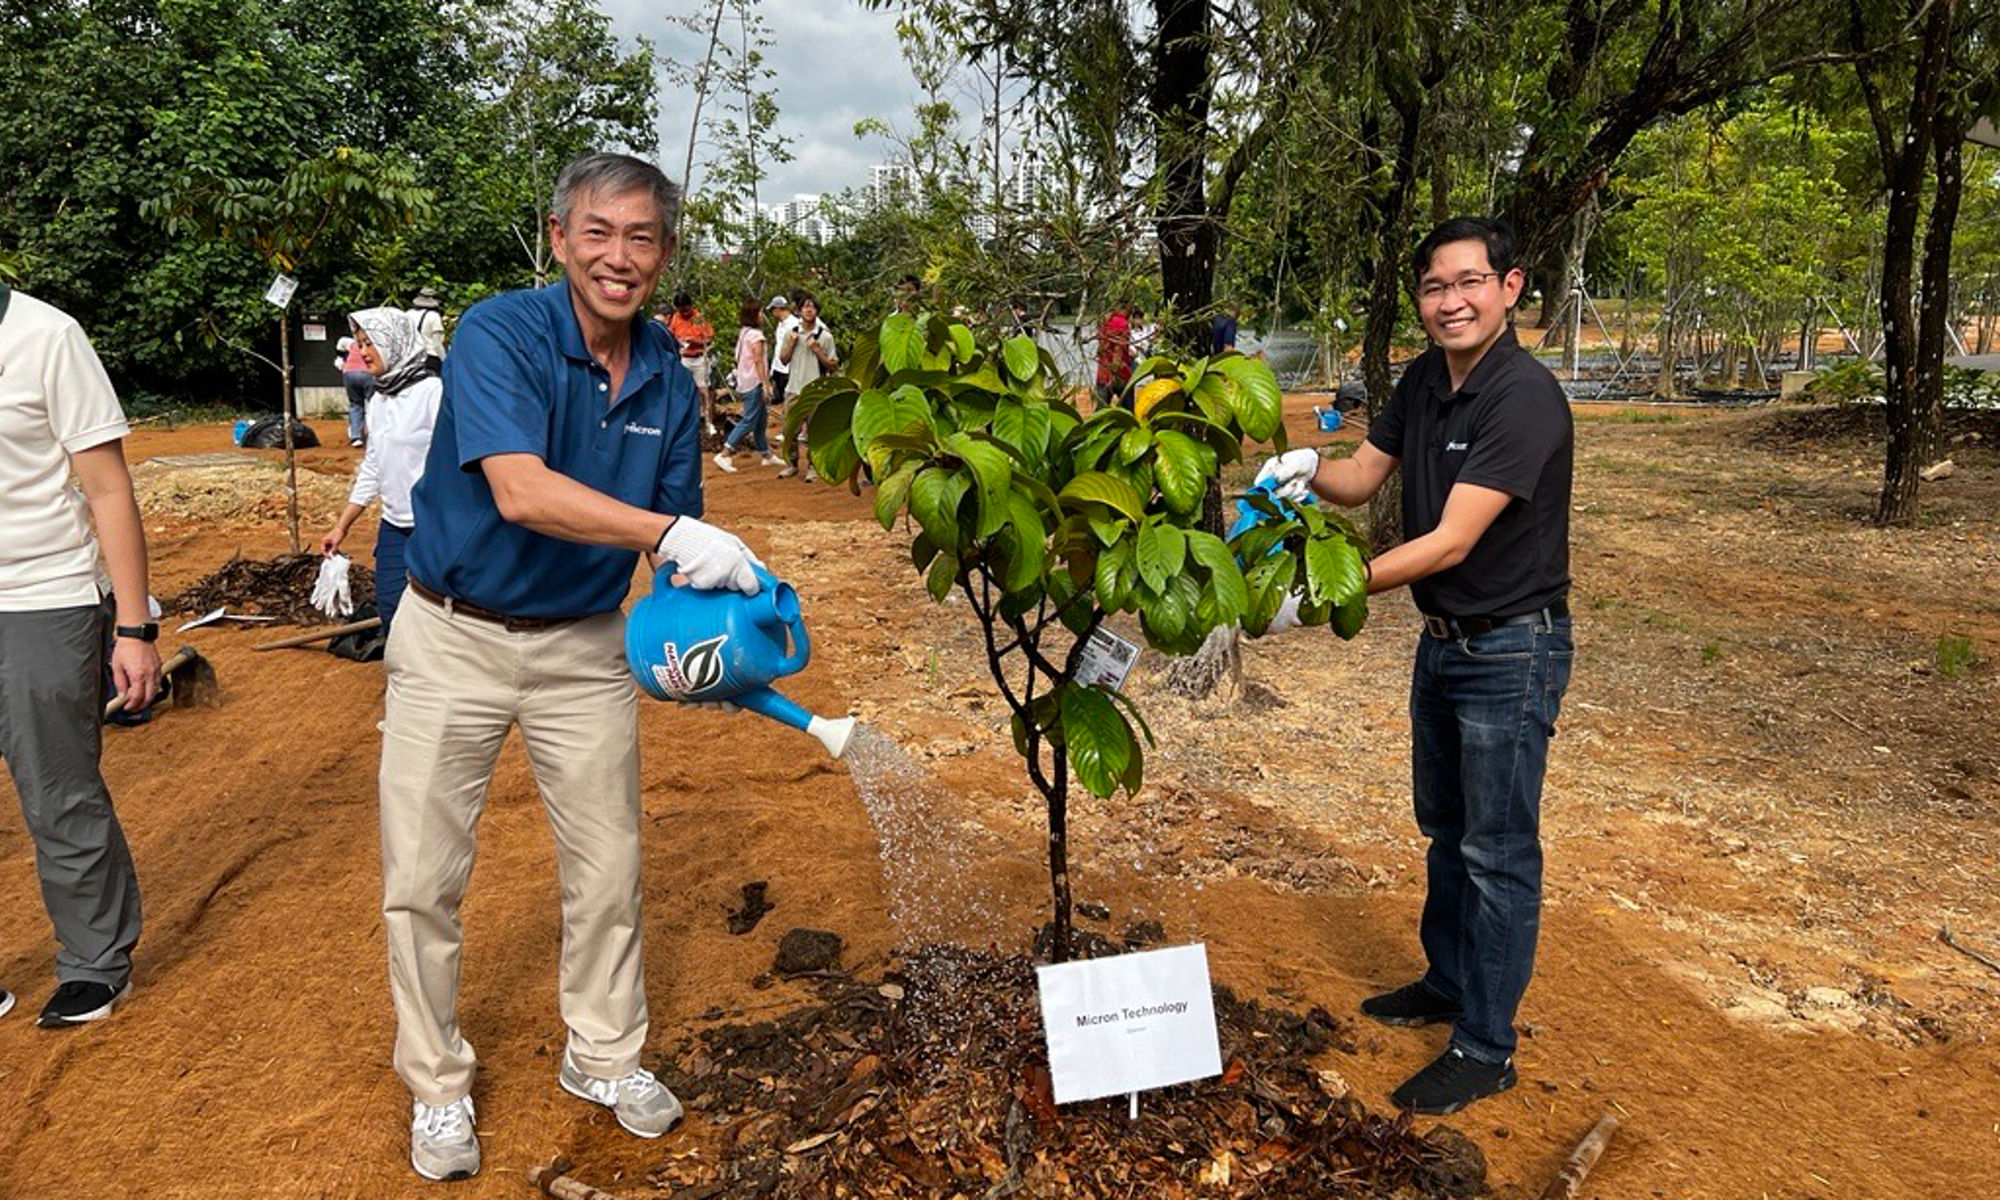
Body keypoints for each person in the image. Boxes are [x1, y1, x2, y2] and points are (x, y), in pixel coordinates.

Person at [382, 152, 764, 1182]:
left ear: (665, 254)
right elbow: (521, 491)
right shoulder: (499, 330)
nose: (618, 256)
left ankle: (602, 1055)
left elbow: (671, 548)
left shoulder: (668, 384)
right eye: (598, 232)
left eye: (642, 238)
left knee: (607, 868)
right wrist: (674, 532)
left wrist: (709, 640)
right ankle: (436, 1085)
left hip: (583, 647)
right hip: (452, 634)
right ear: (559, 238)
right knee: (422, 879)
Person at [1255, 217, 1573, 1116]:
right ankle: (1448, 981)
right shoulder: (1426, 381)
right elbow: (1364, 477)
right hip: (1445, 648)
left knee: (1497, 851)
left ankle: (1485, 1046)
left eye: (1469, 283)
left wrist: (1321, 594)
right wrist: (1307, 464)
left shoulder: (1523, 398)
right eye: (1435, 288)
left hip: (1512, 647)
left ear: (1510, 288)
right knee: (1446, 830)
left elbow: (1447, 542)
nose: (1451, 302)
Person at [0, 283, 162, 1029]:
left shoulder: (47, 336)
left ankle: (94, 959)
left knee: (56, 787)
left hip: (40, 597)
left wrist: (135, 628)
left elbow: (106, 487)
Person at [318, 308, 443, 634]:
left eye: (370, 343)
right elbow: (373, 466)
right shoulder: (379, 399)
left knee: (440, 612)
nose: (362, 351)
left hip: (435, 524)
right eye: (359, 343)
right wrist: (341, 526)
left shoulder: (432, 393)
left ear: (394, 343)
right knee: (391, 608)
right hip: (394, 525)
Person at [713, 298, 784, 472]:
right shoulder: (756, 335)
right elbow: (758, 360)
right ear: (753, 315)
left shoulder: (744, 332)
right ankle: (725, 452)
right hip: (754, 382)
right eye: (760, 312)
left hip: (745, 381)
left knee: (760, 420)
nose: (762, 316)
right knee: (750, 419)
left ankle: (765, 454)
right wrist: (765, 384)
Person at [776, 293, 836, 481]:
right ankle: (791, 464)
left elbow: (833, 365)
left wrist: (818, 351)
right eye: (805, 307)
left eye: (812, 307)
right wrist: (792, 345)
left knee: (814, 430)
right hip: (793, 387)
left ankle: (813, 467)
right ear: (799, 310)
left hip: (815, 390)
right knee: (789, 429)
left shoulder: (824, 336)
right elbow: (783, 360)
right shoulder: (791, 333)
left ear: (817, 311)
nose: (809, 310)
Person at [664, 292, 715, 431]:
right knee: (684, 391)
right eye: (681, 310)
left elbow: (709, 339)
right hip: (684, 359)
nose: (684, 313)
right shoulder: (675, 318)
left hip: (699, 358)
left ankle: (709, 422)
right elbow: (670, 336)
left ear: (690, 306)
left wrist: (696, 341)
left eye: (686, 309)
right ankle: (687, 421)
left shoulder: (699, 317)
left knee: (704, 391)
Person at [339, 333, 374, 447]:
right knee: (373, 403)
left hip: (349, 373)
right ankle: (372, 434)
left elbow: (340, 349)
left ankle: (356, 437)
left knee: (355, 404)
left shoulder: (352, 343)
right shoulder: (373, 343)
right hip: (367, 373)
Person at [1095, 306, 1132, 408]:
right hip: (1121, 373)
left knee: (1101, 412)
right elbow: (1119, 348)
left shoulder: (1104, 321)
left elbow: (1101, 348)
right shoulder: (1122, 322)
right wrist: (1116, 369)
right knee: (1128, 414)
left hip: (1103, 373)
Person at [409, 287, 446, 374]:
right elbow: (437, 344)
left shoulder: (408, 314)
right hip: (430, 358)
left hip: (413, 357)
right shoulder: (434, 316)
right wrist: (445, 361)